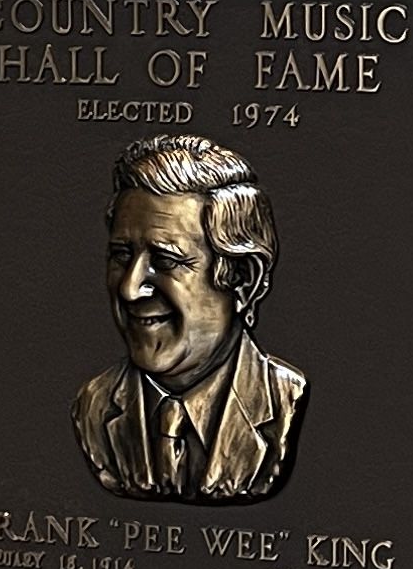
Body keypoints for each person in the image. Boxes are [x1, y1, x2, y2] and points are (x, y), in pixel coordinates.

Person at [71, 132, 307, 501]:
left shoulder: (282, 401)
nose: (129, 289)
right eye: (121, 255)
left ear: (244, 279)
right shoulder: (94, 407)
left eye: (166, 260)